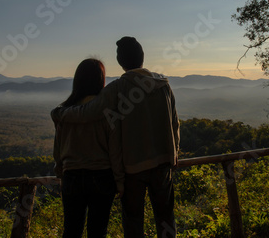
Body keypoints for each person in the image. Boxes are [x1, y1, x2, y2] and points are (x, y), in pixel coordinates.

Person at [52, 37, 179, 238]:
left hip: (133, 167)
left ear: (120, 62)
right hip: (163, 163)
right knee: (165, 218)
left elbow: (88, 113)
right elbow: (174, 123)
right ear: (142, 58)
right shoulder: (163, 85)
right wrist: (174, 154)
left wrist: (60, 114)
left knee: (133, 221)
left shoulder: (117, 88)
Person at [52, 58, 124, 238]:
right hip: (102, 176)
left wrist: (60, 169)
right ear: (101, 80)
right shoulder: (108, 111)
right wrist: (120, 180)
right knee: (98, 231)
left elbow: (58, 148)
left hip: (72, 176)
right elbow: (115, 150)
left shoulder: (65, 112)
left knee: (71, 230)